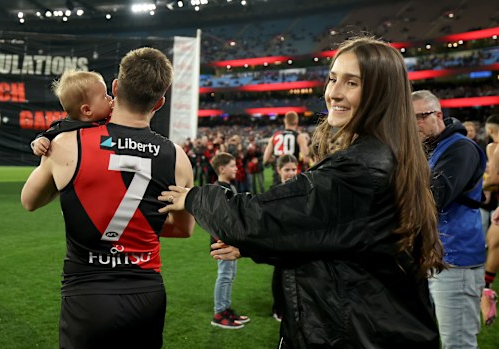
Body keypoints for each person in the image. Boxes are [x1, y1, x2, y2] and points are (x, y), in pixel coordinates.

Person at [160, 36, 444, 348]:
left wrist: (192, 197)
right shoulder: (386, 153)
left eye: (352, 83)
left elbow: (257, 217)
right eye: (333, 78)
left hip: (358, 333)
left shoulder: (362, 169)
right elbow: (330, 236)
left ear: (381, 93)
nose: (334, 92)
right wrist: (255, 247)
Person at [21, 47, 195, 349]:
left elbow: (29, 201)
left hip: (87, 294)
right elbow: (183, 229)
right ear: (160, 102)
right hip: (146, 294)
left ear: (115, 87)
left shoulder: (67, 143)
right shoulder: (178, 158)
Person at [412, 89, 487, 348]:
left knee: (458, 343)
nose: (415, 125)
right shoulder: (431, 148)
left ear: (438, 115)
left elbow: (434, 196)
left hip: (456, 259)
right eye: (410, 120)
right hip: (434, 257)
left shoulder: (461, 148)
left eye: (420, 117)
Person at [208, 152, 250, 329]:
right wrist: (223, 240)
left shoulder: (227, 187)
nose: (236, 168)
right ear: (222, 168)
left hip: (230, 240)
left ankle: (225, 309)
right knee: (224, 276)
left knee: (229, 276)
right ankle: (219, 313)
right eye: (233, 165)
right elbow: (217, 220)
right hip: (223, 242)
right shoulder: (219, 189)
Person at [30, 70, 113, 156]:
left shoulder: (112, 118)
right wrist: (40, 142)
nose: (110, 98)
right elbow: (46, 135)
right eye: (104, 96)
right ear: (87, 110)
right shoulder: (64, 127)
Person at [270, 154, 298, 322]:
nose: (291, 173)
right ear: (278, 170)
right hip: (279, 240)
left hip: (295, 239)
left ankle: (290, 306)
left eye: (294, 169)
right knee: (279, 274)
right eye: (287, 170)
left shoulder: (300, 187)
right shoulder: (274, 191)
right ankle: (278, 308)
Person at [481, 114, 499, 326]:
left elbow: (494, 180)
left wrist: (472, 187)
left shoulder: (494, 148)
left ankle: (486, 293)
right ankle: (487, 291)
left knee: (492, 242)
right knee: (493, 242)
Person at [262, 111, 309, 186]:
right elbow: (306, 159)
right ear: (296, 121)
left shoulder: (274, 136)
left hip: (278, 175)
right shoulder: (300, 136)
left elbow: (265, 159)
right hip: (293, 175)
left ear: (285, 121)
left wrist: (278, 159)